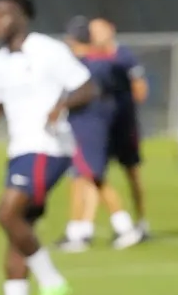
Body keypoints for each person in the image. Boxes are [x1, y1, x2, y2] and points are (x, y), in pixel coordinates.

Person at [0, 0, 98, 295]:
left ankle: (53, 283)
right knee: (18, 229)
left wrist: (62, 105)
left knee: (6, 214)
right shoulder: (0, 61)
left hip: (48, 148)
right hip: (20, 149)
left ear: (20, 17)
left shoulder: (48, 50)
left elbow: (87, 88)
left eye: (1, 15)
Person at [56, 16, 144, 252]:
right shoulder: (94, 62)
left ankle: (124, 226)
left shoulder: (90, 65)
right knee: (83, 177)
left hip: (89, 126)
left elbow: (88, 94)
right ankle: (80, 231)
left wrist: (60, 106)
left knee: (94, 177)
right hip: (90, 125)